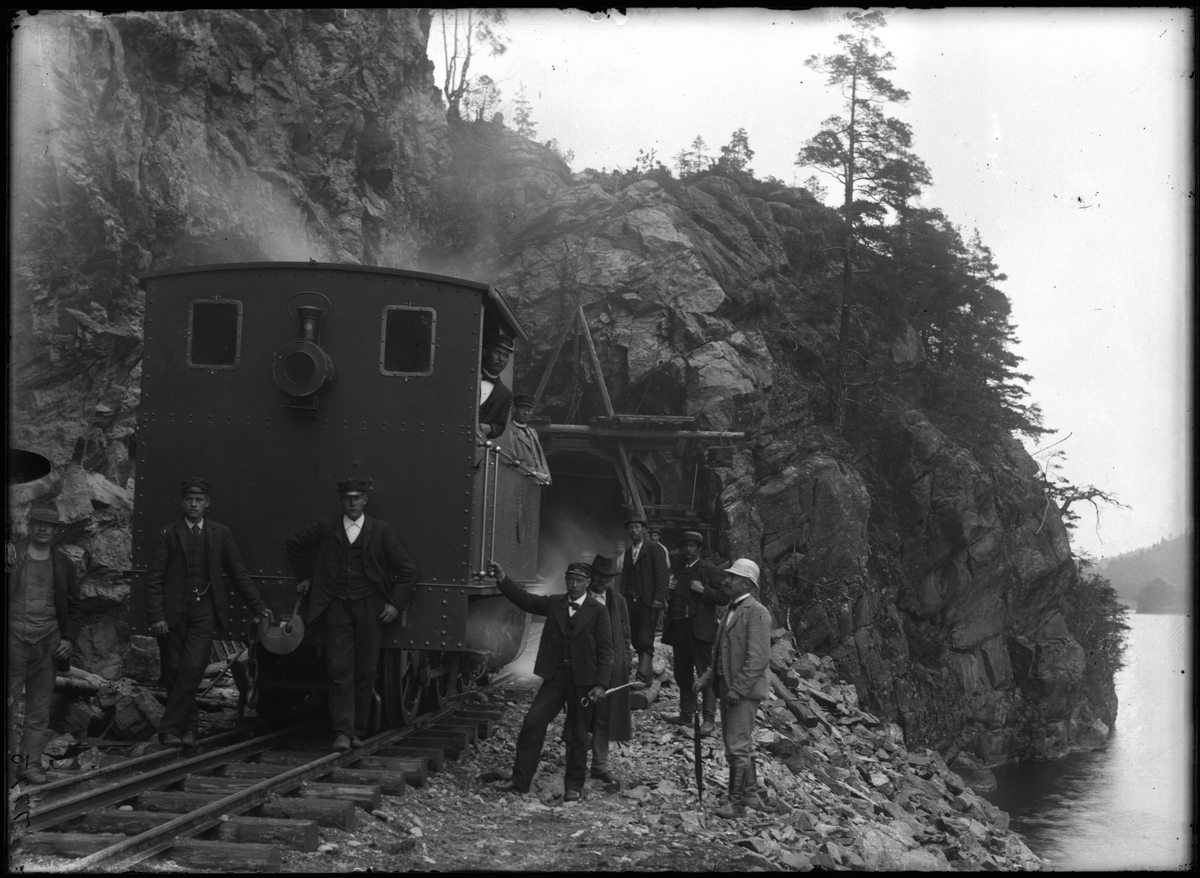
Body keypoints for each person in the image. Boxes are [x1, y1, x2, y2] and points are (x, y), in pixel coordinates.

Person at [287, 478, 418, 752]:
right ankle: (342, 733)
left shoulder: (381, 531)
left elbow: (408, 572)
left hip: (371, 609)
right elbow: (295, 542)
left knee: (365, 671)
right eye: (348, 498)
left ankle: (358, 730)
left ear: (366, 500)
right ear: (340, 501)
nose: (353, 502)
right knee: (338, 670)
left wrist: (394, 604)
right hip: (336, 608)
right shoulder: (327, 527)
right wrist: (305, 577)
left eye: (358, 497)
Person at [146, 478, 269, 748]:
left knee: (192, 667)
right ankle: (189, 728)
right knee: (172, 671)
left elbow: (238, 572)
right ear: (182, 501)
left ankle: (167, 728)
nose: (193, 504)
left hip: (205, 611)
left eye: (199, 499)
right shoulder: (167, 534)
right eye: (189, 498)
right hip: (172, 612)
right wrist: (157, 616)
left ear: (207, 503)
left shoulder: (220, 533)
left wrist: (258, 607)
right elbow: (154, 578)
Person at [487, 559, 612, 802]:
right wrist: (502, 579)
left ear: (587, 583)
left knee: (577, 734)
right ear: (566, 580)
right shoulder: (554, 603)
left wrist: (601, 684)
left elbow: (607, 651)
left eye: (579, 580)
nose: (574, 585)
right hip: (555, 678)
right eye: (570, 579)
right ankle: (520, 780)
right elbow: (526, 600)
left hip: (583, 682)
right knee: (533, 722)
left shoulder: (598, 611)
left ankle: (574, 786)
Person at [7, 500, 82, 785]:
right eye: (38, 523)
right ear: (29, 525)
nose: (42, 528)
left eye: (48, 525)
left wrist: (69, 638)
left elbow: (75, 608)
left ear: (55, 530)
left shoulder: (64, 565)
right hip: (12, 640)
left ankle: (29, 766)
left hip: (48, 643)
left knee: (38, 710)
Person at [694, 558, 773, 818]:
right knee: (740, 745)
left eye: (733, 577)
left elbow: (758, 658)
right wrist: (706, 678)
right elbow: (719, 654)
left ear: (747, 583)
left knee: (736, 746)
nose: (726, 580)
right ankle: (749, 795)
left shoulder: (758, 611)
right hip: (727, 688)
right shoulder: (730, 609)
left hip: (743, 692)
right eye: (728, 577)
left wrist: (738, 689)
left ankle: (734, 802)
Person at [659, 531, 727, 737]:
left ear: (699, 548)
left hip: (700, 632)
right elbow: (674, 600)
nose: (688, 549)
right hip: (679, 630)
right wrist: (669, 590)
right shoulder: (678, 570)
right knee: (682, 675)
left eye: (692, 546)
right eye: (685, 545)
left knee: (705, 674)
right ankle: (686, 716)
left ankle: (708, 720)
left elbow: (724, 597)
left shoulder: (710, 570)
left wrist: (703, 589)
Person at [583, 554, 634, 784]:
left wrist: (626, 659)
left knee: (603, 718)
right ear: (591, 575)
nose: (603, 580)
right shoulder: (581, 598)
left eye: (607, 576)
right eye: (599, 575)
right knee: (580, 718)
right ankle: (575, 765)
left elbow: (625, 634)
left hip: (610, 669)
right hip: (583, 667)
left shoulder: (618, 601)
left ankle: (599, 765)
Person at [618, 517, 668, 684]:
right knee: (634, 638)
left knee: (646, 638)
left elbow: (662, 575)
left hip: (648, 601)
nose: (633, 530)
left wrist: (659, 599)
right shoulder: (627, 553)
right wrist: (620, 600)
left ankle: (640, 678)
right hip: (630, 602)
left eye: (637, 527)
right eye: (631, 527)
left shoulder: (654, 549)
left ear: (643, 530)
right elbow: (624, 579)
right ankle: (646, 677)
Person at [507, 394, 552, 485]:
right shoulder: (509, 431)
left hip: (541, 481)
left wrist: (548, 478)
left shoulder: (533, 432)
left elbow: (541, 459)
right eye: (523, 409)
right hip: (523, 482)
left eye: (528, 410)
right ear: (514, 409)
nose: (526, 413)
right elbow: (512, 460)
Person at [478, 333, 515, 442]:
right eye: (497, 352)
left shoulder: (506, 394)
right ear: (485, 352)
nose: (501, 359)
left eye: (505, 356)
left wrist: (490, 428)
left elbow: (500, 426)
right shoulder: (468, 378)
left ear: (508, 361)